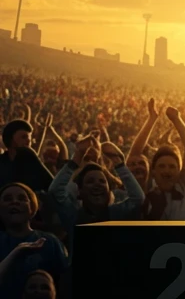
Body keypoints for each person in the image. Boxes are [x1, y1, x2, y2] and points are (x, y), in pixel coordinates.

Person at [45, 135, 143, 264]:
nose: (97, 185)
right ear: (79, 191)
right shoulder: (73, 215)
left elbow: (138, 197)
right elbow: (54, 190)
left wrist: (119, 164)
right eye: (90, 181)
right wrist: (76, 158)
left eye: (102, 181)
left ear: (109, 189)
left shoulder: (114, 213)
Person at [0, 185, 68, 299]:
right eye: (7, 199)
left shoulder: (50, 242)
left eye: (22, 198)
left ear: (32, 207)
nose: (15, 202)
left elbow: (66, 283)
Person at [141, 107, 185, 221]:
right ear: (153, 171)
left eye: (172, 167)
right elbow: (135, 154)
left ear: (179, 171)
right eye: (161, 166)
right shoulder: (145, 192)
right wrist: (151, 120)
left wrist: (177, 119)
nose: (167, 170)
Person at [0, 127, 53, 197]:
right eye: (24, 137)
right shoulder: (2, 162)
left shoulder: (32, 163)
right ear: (11, 140)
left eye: (30, 139)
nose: (28, 141)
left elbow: (52, 187)